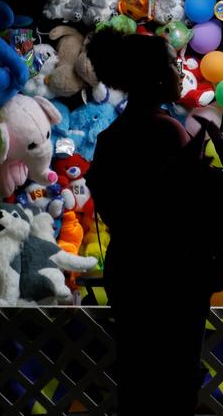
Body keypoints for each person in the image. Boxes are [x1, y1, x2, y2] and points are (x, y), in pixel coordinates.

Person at [85, 29, 209, 414]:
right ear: (156, 75)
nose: (179, 72)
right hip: (169, 273)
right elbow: (185, 207)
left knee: (138, 378)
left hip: (129, 269)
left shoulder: (111, 137)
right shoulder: (166, 131)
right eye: (173, 64)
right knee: (174, 378)